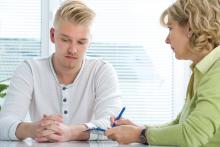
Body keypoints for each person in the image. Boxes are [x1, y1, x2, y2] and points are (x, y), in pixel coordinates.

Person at [0, 0, 121, 142]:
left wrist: (72, 132)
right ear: (52, 35)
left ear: (90, 42)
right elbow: (3, 124)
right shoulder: (29, 70)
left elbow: (114, 125)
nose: (73, 49)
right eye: (65, 39)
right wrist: (33, 129)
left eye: (81, 42)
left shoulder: (102, 71)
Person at [105, 0, 220, 147]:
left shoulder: (217, 71)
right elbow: (180, 123)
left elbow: (192, 134)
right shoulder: (202, 69)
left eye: (170, 29)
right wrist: (141, 130)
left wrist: (139, 135)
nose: (166, 40)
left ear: (190, 29)